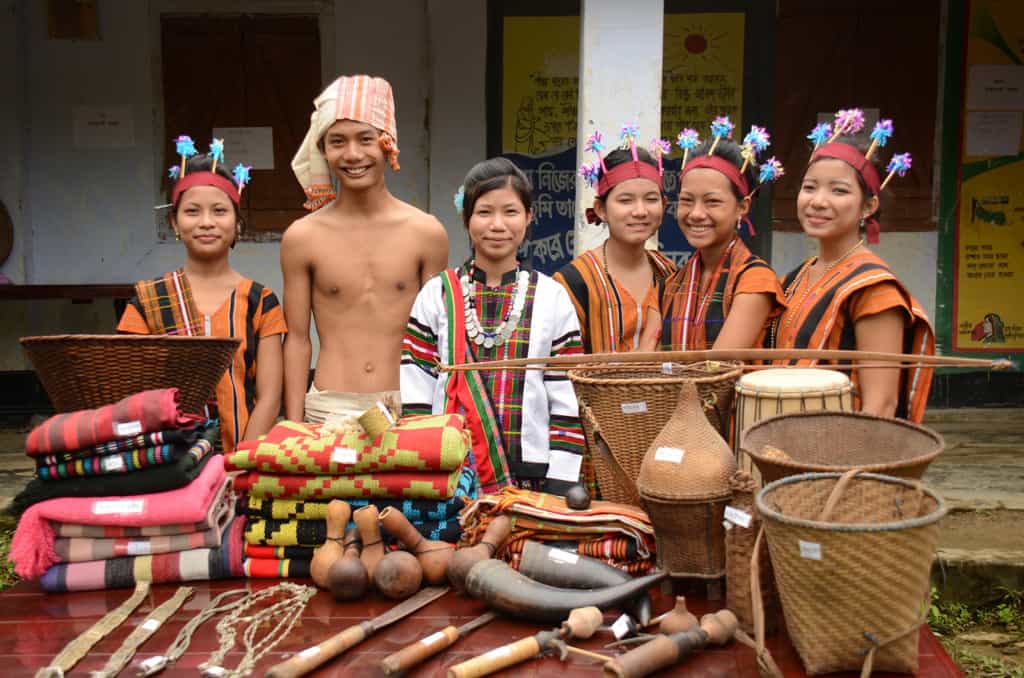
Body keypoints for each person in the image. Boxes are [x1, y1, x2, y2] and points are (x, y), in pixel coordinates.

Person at [401, 158, 585, 496]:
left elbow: (566, 396)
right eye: (484, 212)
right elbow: (417, 390)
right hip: (449, 476)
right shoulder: (438, 294)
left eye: (511, 212)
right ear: (467, 218)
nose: (497, 225)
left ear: (529, 217)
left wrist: (562, 478)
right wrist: (422, 466)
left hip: (534, 478)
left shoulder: (552, 297)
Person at [283, 74, 448, 427]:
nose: (353, 154)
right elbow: (297, 340)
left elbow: (440, 337)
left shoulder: (425, 233)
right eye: (337, 141)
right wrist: (295, 425)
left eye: (366, 139)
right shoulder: (303, 237)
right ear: (323, 150)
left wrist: (438, 414)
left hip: (408, 405)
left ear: (387, 145)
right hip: (327, 408)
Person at [768, 113, 934, 421]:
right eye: (809, 187)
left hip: (841, 452)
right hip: (786, 446)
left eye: (839, 191)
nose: (817, 201)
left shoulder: (874, 290)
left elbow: (880, 406)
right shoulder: (793, 279)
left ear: (869, 206)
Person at [118, 148, 286, 452]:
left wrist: (240, 464)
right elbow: (134, 392)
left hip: (242, 461)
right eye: (192, 211)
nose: (206, 222)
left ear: (237, 223)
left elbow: (270, 396)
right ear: (174, 222)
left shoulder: (261, 301)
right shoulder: (147, 301)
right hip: (169, 461)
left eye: (220, 211)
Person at [554, 129, 675, 354]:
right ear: (601, 209)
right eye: (625, 200)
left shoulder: (669, 274)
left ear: (664, 205)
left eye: (651, 199)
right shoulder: (573, 283)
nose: (640, 211)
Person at [661, 135, 785, 350]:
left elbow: (719, 366)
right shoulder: (670, 284)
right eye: (687, 200)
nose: (696, 214)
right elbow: (646, 361)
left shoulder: (755, 281)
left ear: (742, 207)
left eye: (712, 202)